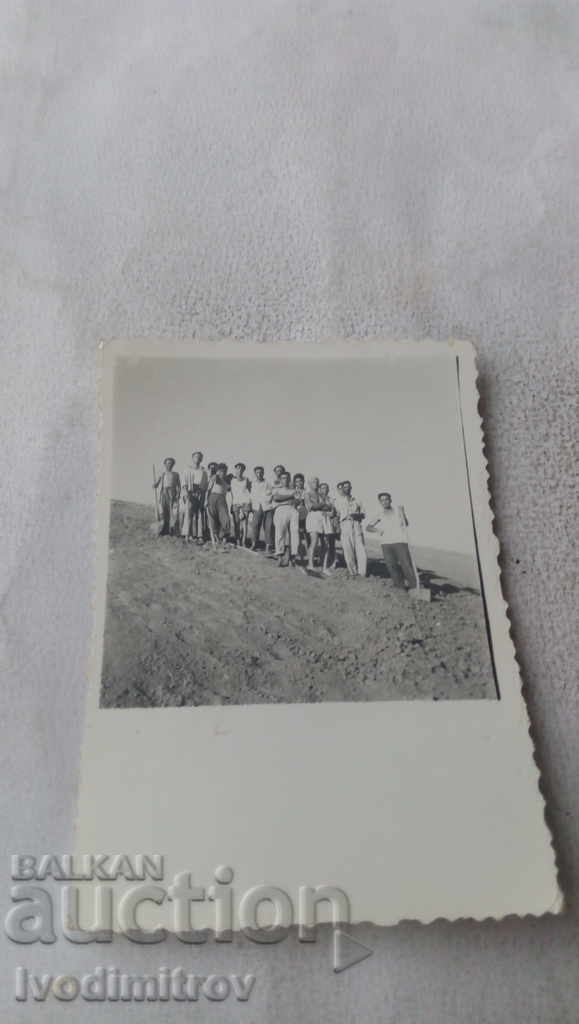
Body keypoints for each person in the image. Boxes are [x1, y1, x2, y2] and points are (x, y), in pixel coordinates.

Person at [366, 492, 418, 591]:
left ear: (390, 500)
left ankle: (415, 587)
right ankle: (400, 587)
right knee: (391, 565)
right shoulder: (379, 515)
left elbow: (405, 524)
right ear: (380, 502)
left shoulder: (398, 512)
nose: (385, 502)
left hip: (400, 541)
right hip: (386, 543)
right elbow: (368, 527)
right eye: (382, 500)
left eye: (386, 499)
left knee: (406, 564)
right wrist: (377, 530)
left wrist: (403, 513)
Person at [335, 480, 367, 577]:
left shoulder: (357, 500)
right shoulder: (337, 501)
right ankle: (352, 572)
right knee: (348, 550)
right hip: (344, 524)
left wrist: (356, 515)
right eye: (344, 487)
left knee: (361, 549)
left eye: (348, 487)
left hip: (356, 524)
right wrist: (337, 528)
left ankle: (362, 573)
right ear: (341, 489)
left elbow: (363, 514)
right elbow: (336, 516)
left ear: (351, 488)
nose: (347, 488)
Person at [272, 471, 300, 567]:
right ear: (280, 480)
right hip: (280, 510)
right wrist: (290, 497)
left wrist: (286, 498)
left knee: (294, 533)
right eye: (283, 478)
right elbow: (276, 498)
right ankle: (280, 556)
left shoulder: (294, 490)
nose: (285, 480)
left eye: (287, 478)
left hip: (292, 510)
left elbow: (297, 501)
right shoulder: (277, 489)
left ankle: (292, 557)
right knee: (280, 533)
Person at [181, 451, 208, 543]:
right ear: (192, 458)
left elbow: (204, 486)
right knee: (189, 513)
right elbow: (184, 483)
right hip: (189, 492)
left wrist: (203, 498)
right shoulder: (187, 469)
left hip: (199, 493)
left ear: (201, 459)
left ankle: (199, 536)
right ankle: (187, 535)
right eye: (196, 457)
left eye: (200, 457)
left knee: (199, 514)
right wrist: (186, 494)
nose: (198, 458)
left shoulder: (203, 472)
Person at [153, 458, 181, 536]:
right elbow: (157, 483)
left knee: (173, 512)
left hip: (172, 493)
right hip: (164, 493)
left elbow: (179, 485)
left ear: (173, 465)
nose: (169, 465)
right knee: (164, 511)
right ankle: (164, 529)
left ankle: (172, 530)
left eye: (171, 463)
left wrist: (178, 494)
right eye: (168, 463)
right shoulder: (162, 473)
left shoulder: (176, 474)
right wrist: (155, 485)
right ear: (165, 464)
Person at [250, 466, 274, 552]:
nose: (259, 474)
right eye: (257, 472)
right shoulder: (253, 483)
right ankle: (254, 544)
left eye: (261, 472)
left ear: (263, 473)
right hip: (257, 507)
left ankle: (268, 546)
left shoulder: (268, 483)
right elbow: (251, 495)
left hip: (267, 507)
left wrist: (266, 500)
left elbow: (272, 494)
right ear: (255, 474)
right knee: (255, 526)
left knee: (268, 527)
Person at [206, 462, 231, 547]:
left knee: (225, 518)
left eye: (224, 471)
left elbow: (229, 489)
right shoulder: (214, 478)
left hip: (222, 500)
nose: (222, 473)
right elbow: (208, 490)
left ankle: (224, 538)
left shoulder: (227, 480)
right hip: (212, 498)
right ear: (217, 471)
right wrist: (206, 501)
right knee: (213, 519)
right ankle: (216, 539)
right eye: (220, 471)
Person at [304, 476, 325, 570]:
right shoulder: (307, 494)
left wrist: (320, 505)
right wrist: (322, 505)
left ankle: (321, 563)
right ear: (309, 484)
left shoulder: (321, 494)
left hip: (322, 518)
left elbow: (327, 506)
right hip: (313, 518)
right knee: (314, 541)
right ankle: (310, 564)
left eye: (317, 482)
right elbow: (310, 507)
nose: (315, 484)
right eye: (313, 482)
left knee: (323, 542)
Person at [230, 462, 252, 547]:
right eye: (237, 468)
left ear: (243, 470)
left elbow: (250, 492)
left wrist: (248, 502)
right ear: (235, 470)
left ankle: (244, 541)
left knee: (244, 523)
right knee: (236, 523)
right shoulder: (232, 480)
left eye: (241, 469)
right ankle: (237, 540)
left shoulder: (247, 480)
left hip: (245, 503)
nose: (239, 470)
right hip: (235, 503)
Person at [318, 482, 337, 573]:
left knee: (327, 544)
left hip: (328, 523)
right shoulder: (317, 498)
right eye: (322, 488)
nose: (324, 490)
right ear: (320, 489)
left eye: (326, 488)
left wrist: (325, 512)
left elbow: (332, 512)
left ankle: (327, 564)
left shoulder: (331, 499)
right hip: (317, 522)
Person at [292, 473, 308, 558]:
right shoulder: (293, 491)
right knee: (296, 533)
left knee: (305, 533)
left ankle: (306, 552)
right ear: (294, 482)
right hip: (295, 514)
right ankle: (298, 552)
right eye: (297, 481)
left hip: (305, 514)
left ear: (303, 482)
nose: (299, 483)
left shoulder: (306, 492)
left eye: (300, 481)